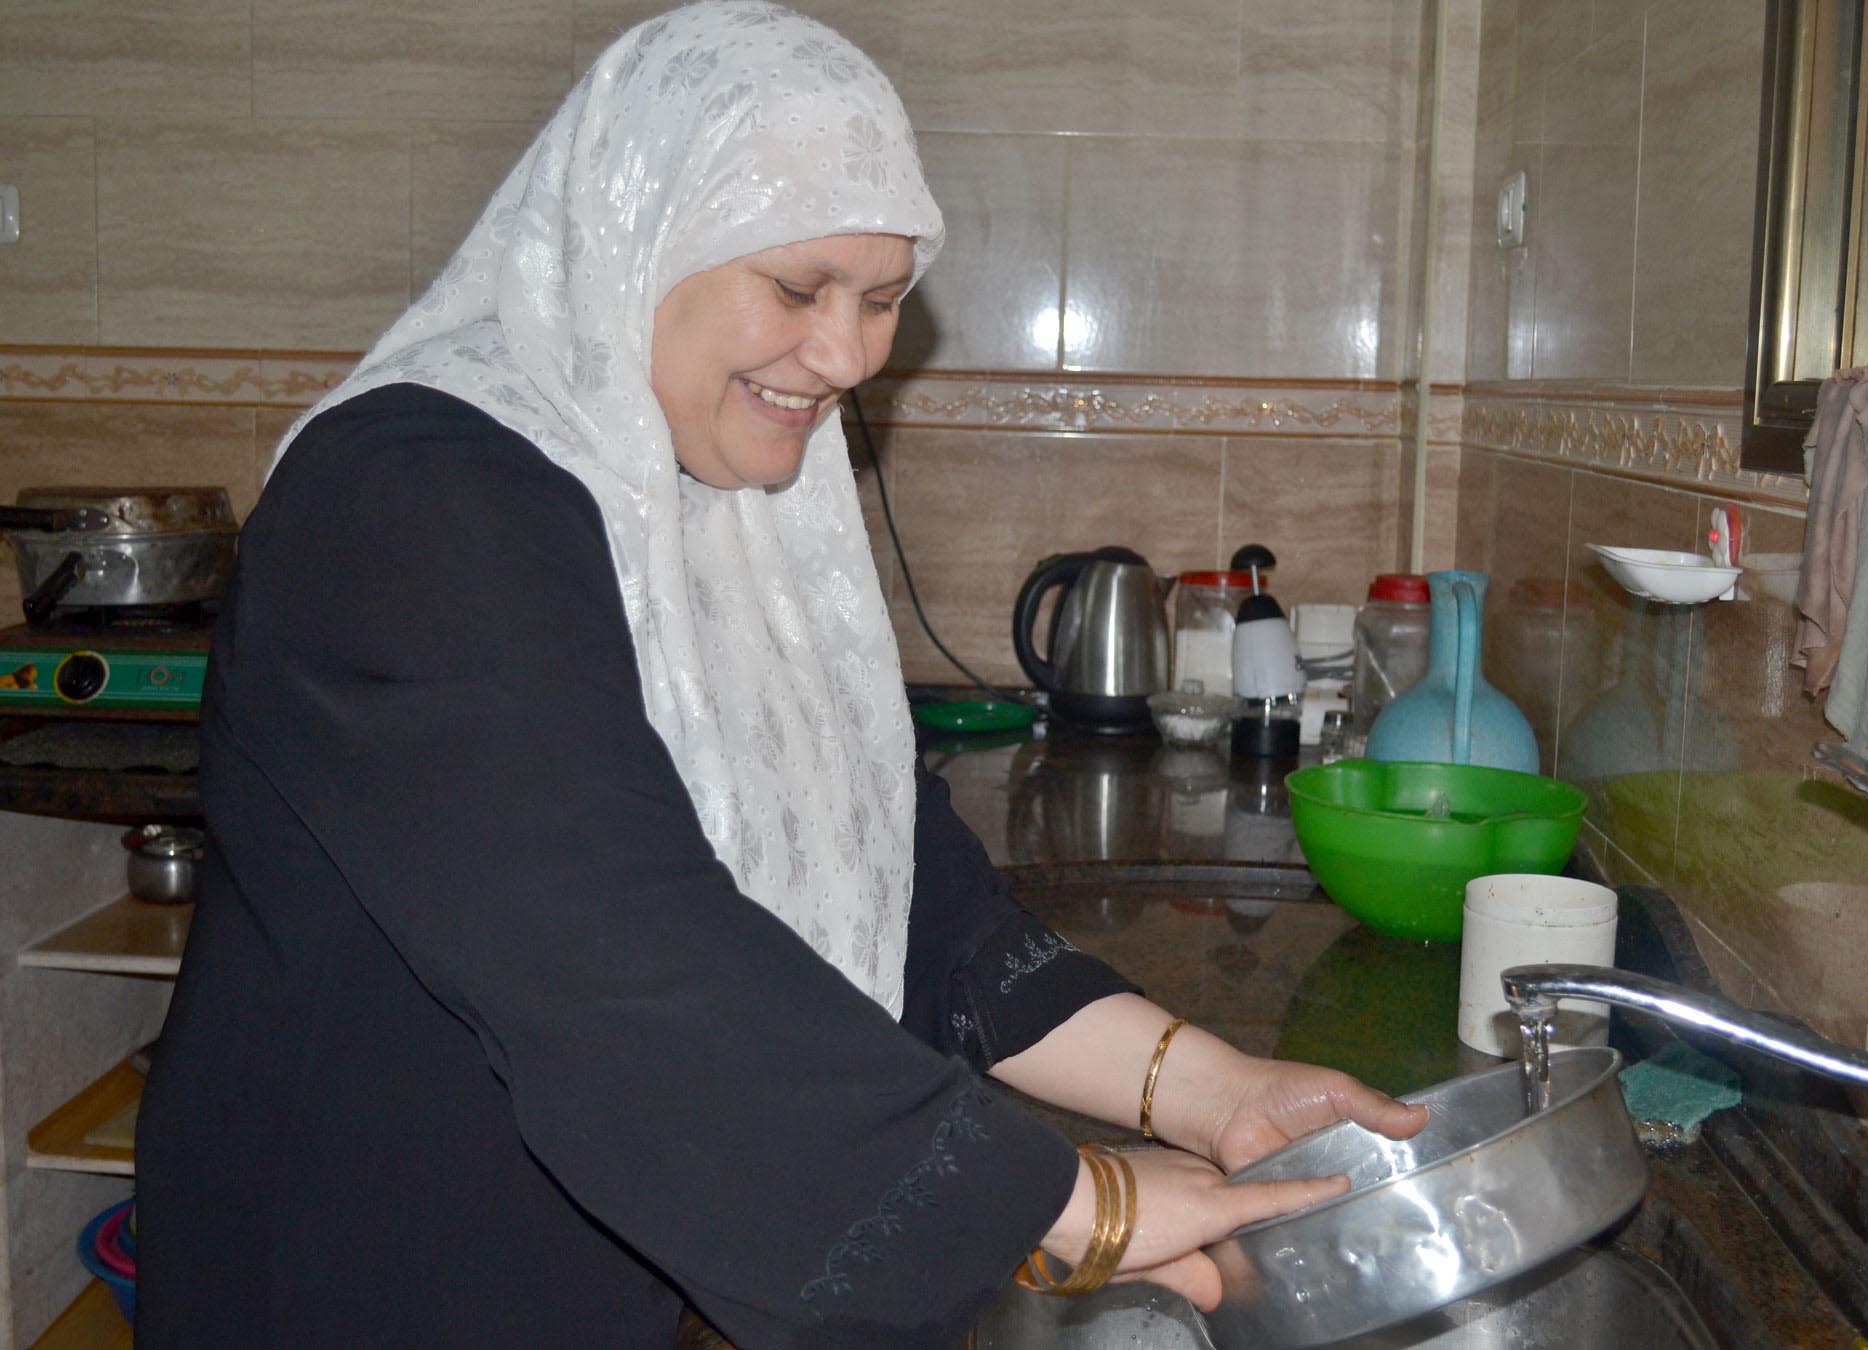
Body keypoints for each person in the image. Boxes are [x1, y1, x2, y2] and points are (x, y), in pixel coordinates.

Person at [134, 4, 1424, 1346]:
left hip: (576, 1263)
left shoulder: (704, 490)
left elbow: (897, 876)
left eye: (882, 301)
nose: (851, 355)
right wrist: (1072, 1201)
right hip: (369, 1270)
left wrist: (1212, 1091)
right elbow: (611, 952)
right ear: (644, 239)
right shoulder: (415, 498)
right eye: (801, 290)